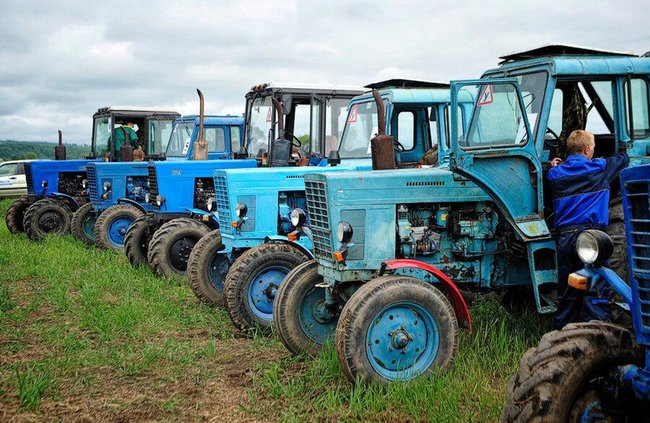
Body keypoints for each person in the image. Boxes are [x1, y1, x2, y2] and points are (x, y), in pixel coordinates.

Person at [546, 129, 629, 329]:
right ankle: (597, 333)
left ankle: (561, 335)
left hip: (566, 239)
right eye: (592, 148)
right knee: (596, 287)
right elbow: (622, 159)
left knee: (569, 291)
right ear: (586, 150)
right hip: (592, 238)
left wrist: (552, 166)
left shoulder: (555, 174)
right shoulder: (597, 168)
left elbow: (551, 173)